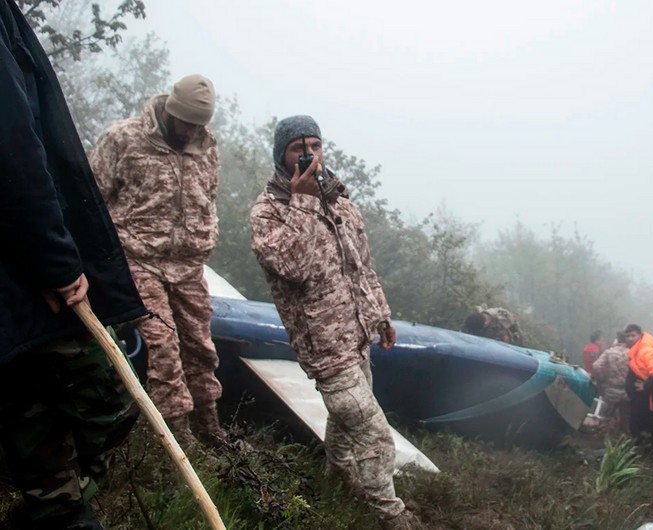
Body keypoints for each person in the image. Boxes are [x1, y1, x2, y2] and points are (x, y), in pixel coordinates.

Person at [0, 0, 147, 527]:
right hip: (32, 276)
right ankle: (56, 505)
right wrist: (57, 261)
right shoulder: (129, 140)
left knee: (87, 404)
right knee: (97, 388)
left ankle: (56, 500)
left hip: (30, 269)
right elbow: (13, 149)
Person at [250, 115, 420, 529]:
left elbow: (361, 266)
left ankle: (336, 481)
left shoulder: (341, 201)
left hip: (357, 333)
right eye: (297, 148)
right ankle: (393, 517)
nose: (309, 153)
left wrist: (380, 315)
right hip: (324, 345)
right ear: (282, 155)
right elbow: (293, 266)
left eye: (315, 144)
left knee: (345, 425)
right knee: (375, 435)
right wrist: (303, 200)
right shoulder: (267, 211)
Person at [89, 75, 227, 447]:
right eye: (187, 123)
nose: (192, 131)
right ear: (170, 111)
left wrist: (206, 235)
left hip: (188, 267)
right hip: (138, 260)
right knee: (162, 344)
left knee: (201, 347)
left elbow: (208, 198)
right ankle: (177, 440)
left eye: (200, 124)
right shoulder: (124, 139)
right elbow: (91, 199)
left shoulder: (206, 148)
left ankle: (209, 427)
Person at [623, 323, 653, 442]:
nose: (630, 338)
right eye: (627, 336)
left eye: (633, 335)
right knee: (637, 425)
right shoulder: (635, 351)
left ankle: (649, 452)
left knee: (645, 426)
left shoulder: (646, 350)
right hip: (638, 397)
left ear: (640, 335)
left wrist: (646, 385)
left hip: (645, 398)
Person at [591, 331, 630, 428]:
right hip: (627, 390)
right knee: (625, 417)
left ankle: (603, 435)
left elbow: (596, 366)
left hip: (610, 389)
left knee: (606, 416)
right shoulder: (632, 352)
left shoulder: (609, 352)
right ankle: (622, 437)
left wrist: (601, 378)